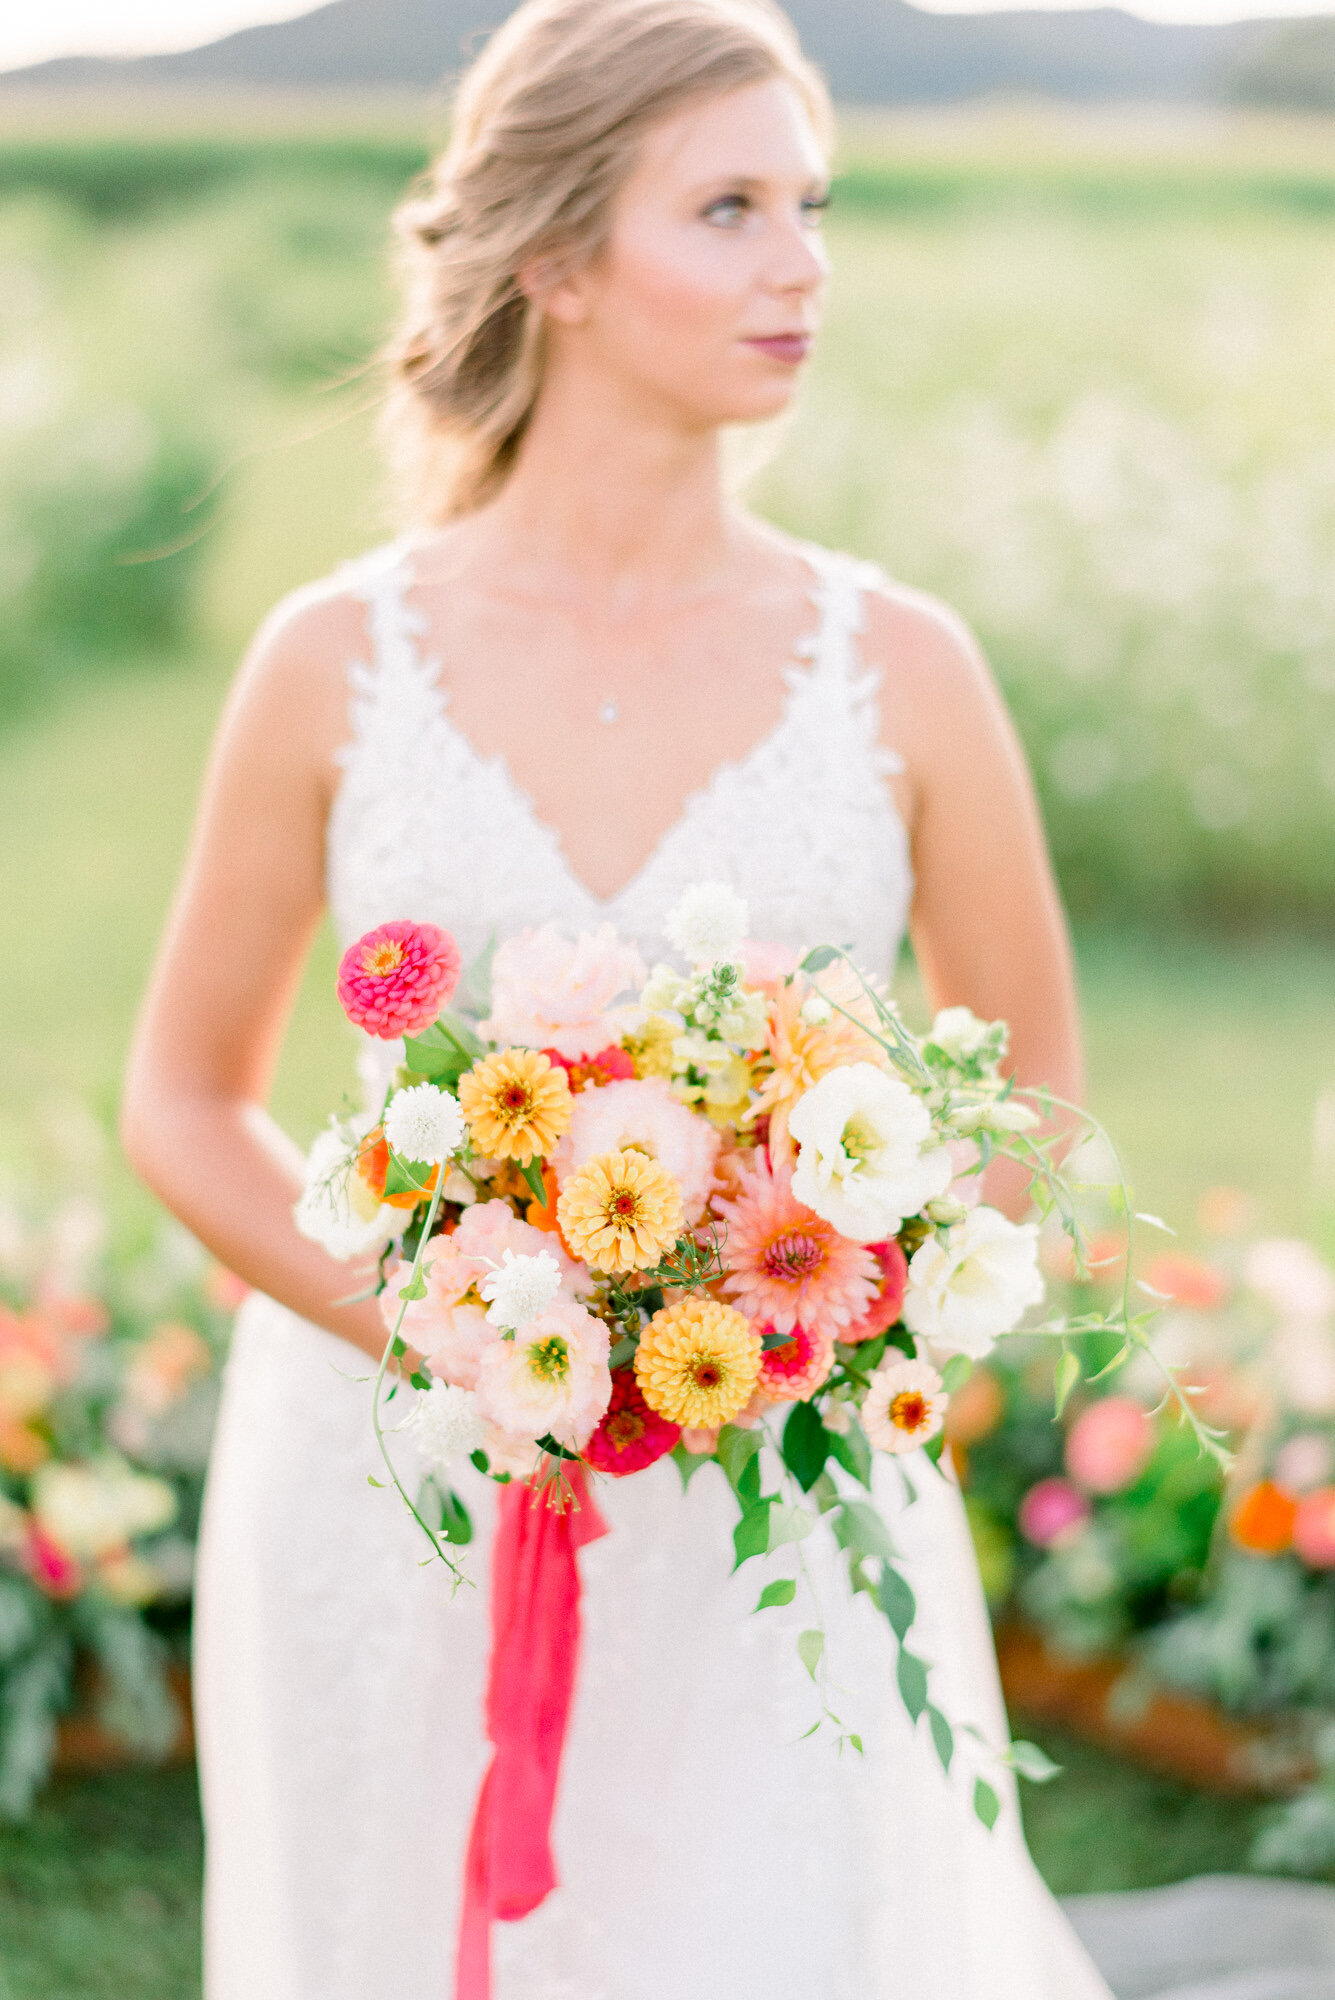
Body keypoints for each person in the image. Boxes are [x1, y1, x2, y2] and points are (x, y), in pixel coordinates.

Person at [122, 2, 1111, 1994]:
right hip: (391, 1490)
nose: (801, 261)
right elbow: (178, 1093)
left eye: (808, 203)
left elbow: (1043, 1104)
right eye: (729, 207)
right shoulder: (334, 661)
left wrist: (813, 1336)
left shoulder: (901, 670)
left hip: (779, 1505)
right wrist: (451, 1335)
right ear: (553, 261)